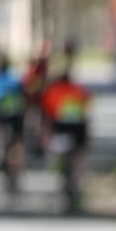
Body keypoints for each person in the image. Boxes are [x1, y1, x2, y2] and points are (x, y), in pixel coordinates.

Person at [40, 70, 91, 207]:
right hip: (78, 129)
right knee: (78, 157)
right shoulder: (79, 91)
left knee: (58, 153)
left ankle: (58, 167)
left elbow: (47, 117)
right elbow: (86, 111)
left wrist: (45, 137)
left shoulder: (52, 92)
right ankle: (78, 183)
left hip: (60, 128)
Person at [0, 54, 25, 174]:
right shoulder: (15, 77)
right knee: (17, 139)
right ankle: (17, 161)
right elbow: (22, 92)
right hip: (15, 112)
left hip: (1, 112)